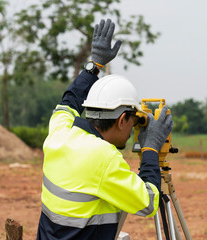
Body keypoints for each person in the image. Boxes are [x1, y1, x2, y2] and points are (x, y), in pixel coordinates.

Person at [36, 19, 173, 240]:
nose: (132, 128)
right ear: (121, 120)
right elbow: (148, 203)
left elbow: (69, 101)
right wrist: (151, 149)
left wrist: (94, 64)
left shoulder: (60, 130)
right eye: (133, 119)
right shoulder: (104, 158)